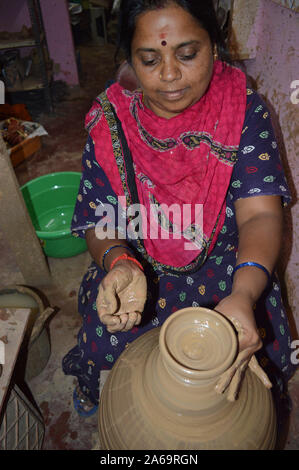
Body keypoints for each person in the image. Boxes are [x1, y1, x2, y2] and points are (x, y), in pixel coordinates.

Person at [62, 0, 295, 417]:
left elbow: (260, 215)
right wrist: (118, 262)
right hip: (139, 266)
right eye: (149, 59)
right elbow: (100, 217)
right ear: (130, 60)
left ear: (215, 47)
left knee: (252, 353)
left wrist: (243, 293)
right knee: (106, 340)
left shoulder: (243, 111)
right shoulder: (111, 120)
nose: (169, 75)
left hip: (227, 266)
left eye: (187, 54)